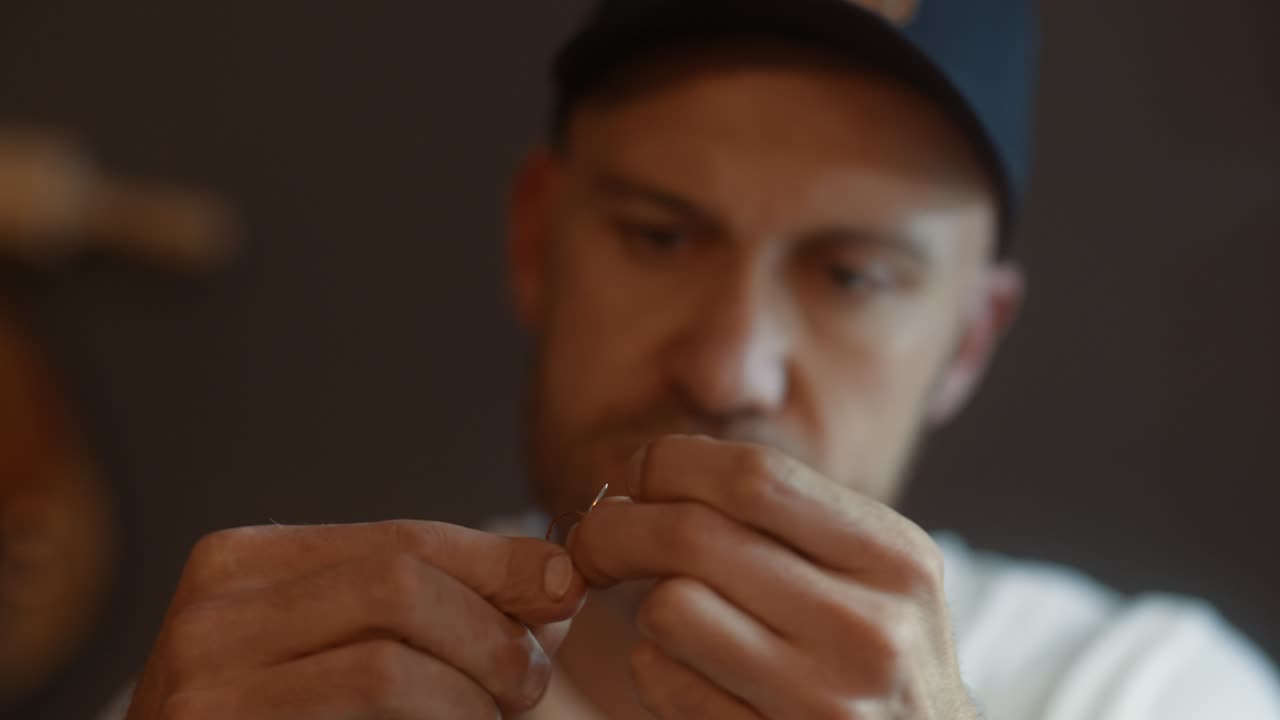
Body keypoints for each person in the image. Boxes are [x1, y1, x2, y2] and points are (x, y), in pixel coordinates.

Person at [107, 1, 1280, 718]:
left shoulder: (1144, 692)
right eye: (658, 237)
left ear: (967, 339)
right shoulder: (278, 690)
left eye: (850, 276)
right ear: (535, 241)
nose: (727, 372)